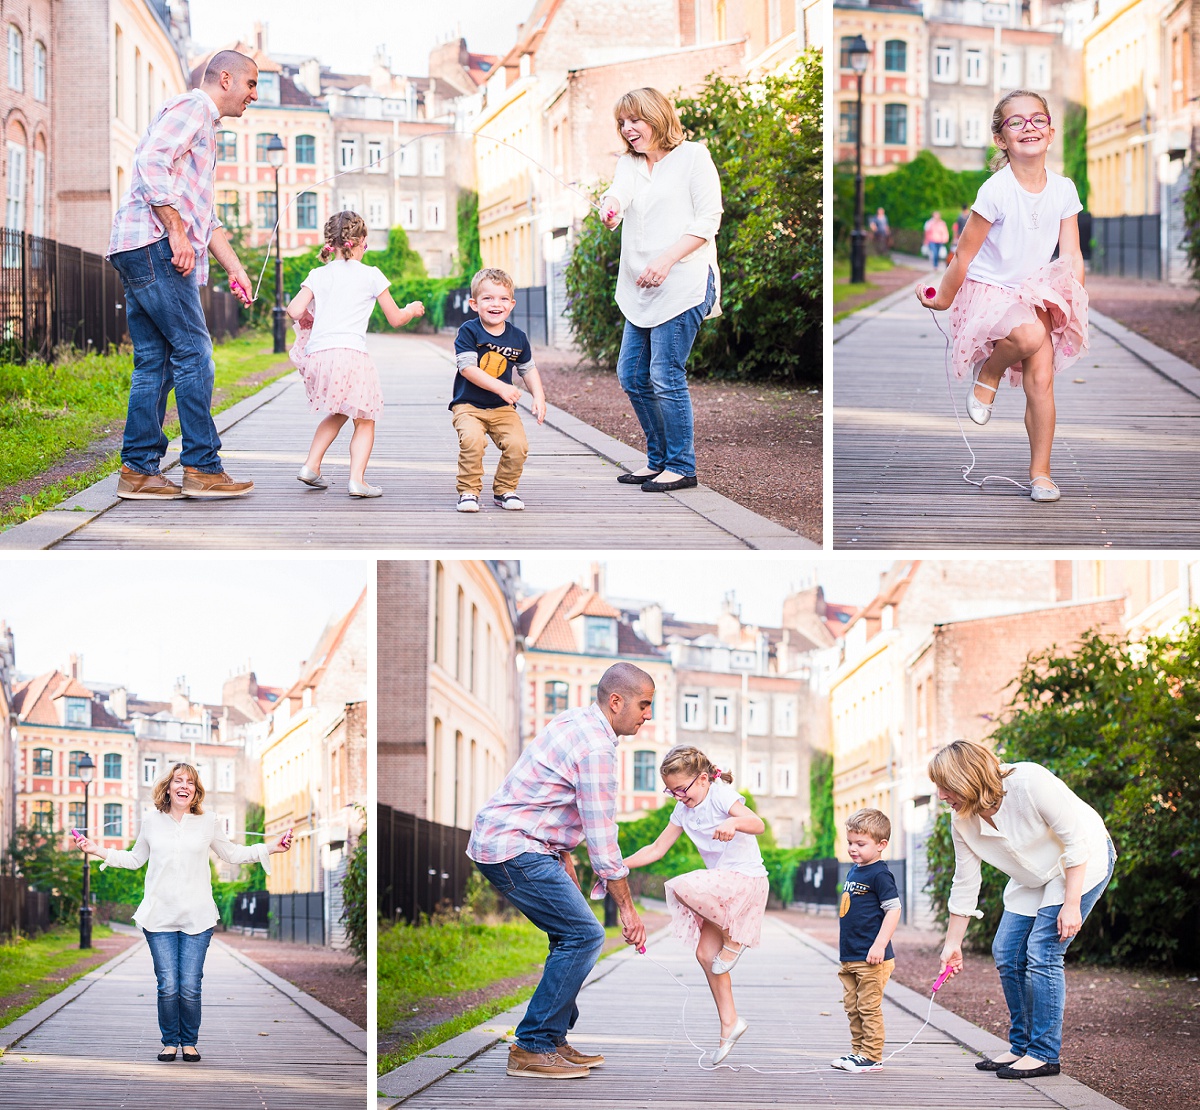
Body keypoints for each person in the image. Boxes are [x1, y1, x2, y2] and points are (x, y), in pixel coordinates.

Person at [467, 662, 651, 1080]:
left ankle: (549, 1038)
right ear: (616, 701)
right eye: (644, 705)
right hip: (513, 846)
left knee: (568, 936)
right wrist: (629, 910)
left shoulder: (576, 720)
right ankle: (530, 1045)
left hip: (519, 841)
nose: (648, 715)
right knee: (585, 935)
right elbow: (603, 840)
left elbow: (556, 803)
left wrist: (563, 856)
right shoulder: (597, 748)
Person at [917, 91, 1087, 504]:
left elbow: (1072, 254)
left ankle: (1041, 474)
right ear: (1001, 138)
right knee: (1029, 337)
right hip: (989, 290)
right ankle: (989, 374)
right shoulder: (995, 191)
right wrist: (942, 297)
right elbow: (963, 254)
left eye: (1037, 119)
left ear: (1050, 131)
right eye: (1016, 122)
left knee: (1042, 380)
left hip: (1035, 289)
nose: (1028, 127)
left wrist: (1073, 299)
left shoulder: (1064, 189)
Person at [107, 50, 260, 501]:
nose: (253, 95)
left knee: (155, 361)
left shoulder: (203, 128)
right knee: (195, 354)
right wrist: (174, 230)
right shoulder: (195, 107)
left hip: (136, 245)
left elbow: (203, 218)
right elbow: (150, 162)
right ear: (226, 79)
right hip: (154, 243)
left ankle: (138, 471)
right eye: (251, 84)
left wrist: (235, 268)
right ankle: (201, 466)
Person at [72, 763, 293, 1062]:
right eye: (178, 780)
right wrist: (97, 850)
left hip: (197, 916)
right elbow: (135, 859)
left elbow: (232, 854)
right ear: (168, 787)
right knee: (168, 985)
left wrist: (273, 848)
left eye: (190, 781)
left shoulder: (209, 821)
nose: (184, 785)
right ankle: (169, 1042)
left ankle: (189, 1042)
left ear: (195, 790)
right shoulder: (151, 822)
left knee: (189, 984)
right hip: (159, 916)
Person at [929, 740, 1115, 1081]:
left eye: (944, 786)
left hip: (1078, 864)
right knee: (1006, 951)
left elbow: (1076, 842)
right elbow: (966, 882)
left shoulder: (1029, 782)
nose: (940, 795)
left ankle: (1044, 1054)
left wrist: (1071, 904)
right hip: (1032, 877)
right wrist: (952, 943)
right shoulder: (962, 821)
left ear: (966, 778)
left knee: (1042, 951)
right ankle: (1022, 1047)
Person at [600, 87, 721, 494]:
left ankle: (682, 466)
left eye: (634, 119)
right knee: (632, 374)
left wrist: (667, 260)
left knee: (664, 374)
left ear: (656, 116)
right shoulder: (630, 163)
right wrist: (610, 208)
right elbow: (618, 194)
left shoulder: (693, 157)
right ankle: (658, 461)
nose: (628, 129)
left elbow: (708, 220)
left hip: (684, 279)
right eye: (621, 123)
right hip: (641, 287)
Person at [623, 745, 768, 1065]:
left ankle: (734, 937)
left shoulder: (720, 794)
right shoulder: (683, 810)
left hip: (745, 882)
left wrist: (734, 823)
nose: (678, 796)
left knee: (681, 885)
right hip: (722, 889)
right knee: (705, 955)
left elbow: (757, 823)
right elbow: (657, 847)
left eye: (682, 789)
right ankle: (730, 1022)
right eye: (671, 791)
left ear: (703, 778)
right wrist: (618, 865)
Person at [286, 211, 425, 498]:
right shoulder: (371, 274)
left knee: (338, 412)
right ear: (360, 241)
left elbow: (294, 311)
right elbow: (396, 319)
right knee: (365, 419)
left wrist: (312, 319)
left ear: (331, 243)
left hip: (320, 357)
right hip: (351, 356)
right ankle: (357, 481)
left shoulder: (317, 274)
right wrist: (412, 308)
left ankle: (311, 466)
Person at [450, 267, 546, 513]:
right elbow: (467, 368)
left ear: (512, 304)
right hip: (468, 405)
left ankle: (504, 490)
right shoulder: (469, 331)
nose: (496, 304)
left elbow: (528, 369)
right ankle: (469, 492)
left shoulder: (518, 337)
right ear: (474, 303)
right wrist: (503, 387)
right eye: (488, 298)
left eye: (503, 299)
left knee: (517, 445)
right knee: (472, 441)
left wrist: (539, 397)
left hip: (502, 409)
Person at [830, 808, 902, 1073]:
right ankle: (858, 1051)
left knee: (868, 1007)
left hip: (872, 957)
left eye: (861, 844)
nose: (853, 848)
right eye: (850, 842)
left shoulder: (880, 874)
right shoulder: (854, 871)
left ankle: (872, 1055)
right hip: (850, 955)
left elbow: (894, 909)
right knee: (853, 1007)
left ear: (882, 845)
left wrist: (879, 945)